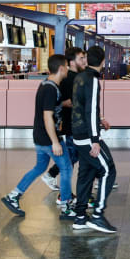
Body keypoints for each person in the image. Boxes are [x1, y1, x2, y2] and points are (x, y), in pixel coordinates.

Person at [1, 54, 75, 220]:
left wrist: (63, 103)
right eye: (67, 67)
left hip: (40, 137)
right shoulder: (50, 88)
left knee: (40, 168)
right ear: (62, 68)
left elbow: (49, 106)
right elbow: (47, 116)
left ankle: (13, 196)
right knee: (66, 168)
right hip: (49, 138)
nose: (68, 70)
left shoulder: (46, 85)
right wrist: (55, 142)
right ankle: (66, 207)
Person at [71, 46, 118, 233]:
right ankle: (98, 215)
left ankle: (80, 216)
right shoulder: (92, 80)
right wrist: (95, 139)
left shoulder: (79, 77)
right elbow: (90, 110)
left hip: (77, 133)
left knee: (87, 172)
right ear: (103, 62)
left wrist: (99, 120)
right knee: (108, 169)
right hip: (87, 136)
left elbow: (82, 107)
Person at [43, 47, 87, 193]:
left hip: (74, 124)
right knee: (72, 156)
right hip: (71, 124)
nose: (84, 61)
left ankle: (53, 176)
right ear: (71, 62)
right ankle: (63, 193)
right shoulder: (69, 79)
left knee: (73, 155)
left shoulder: (75, 77)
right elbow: (58, 102)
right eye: (81, 58)